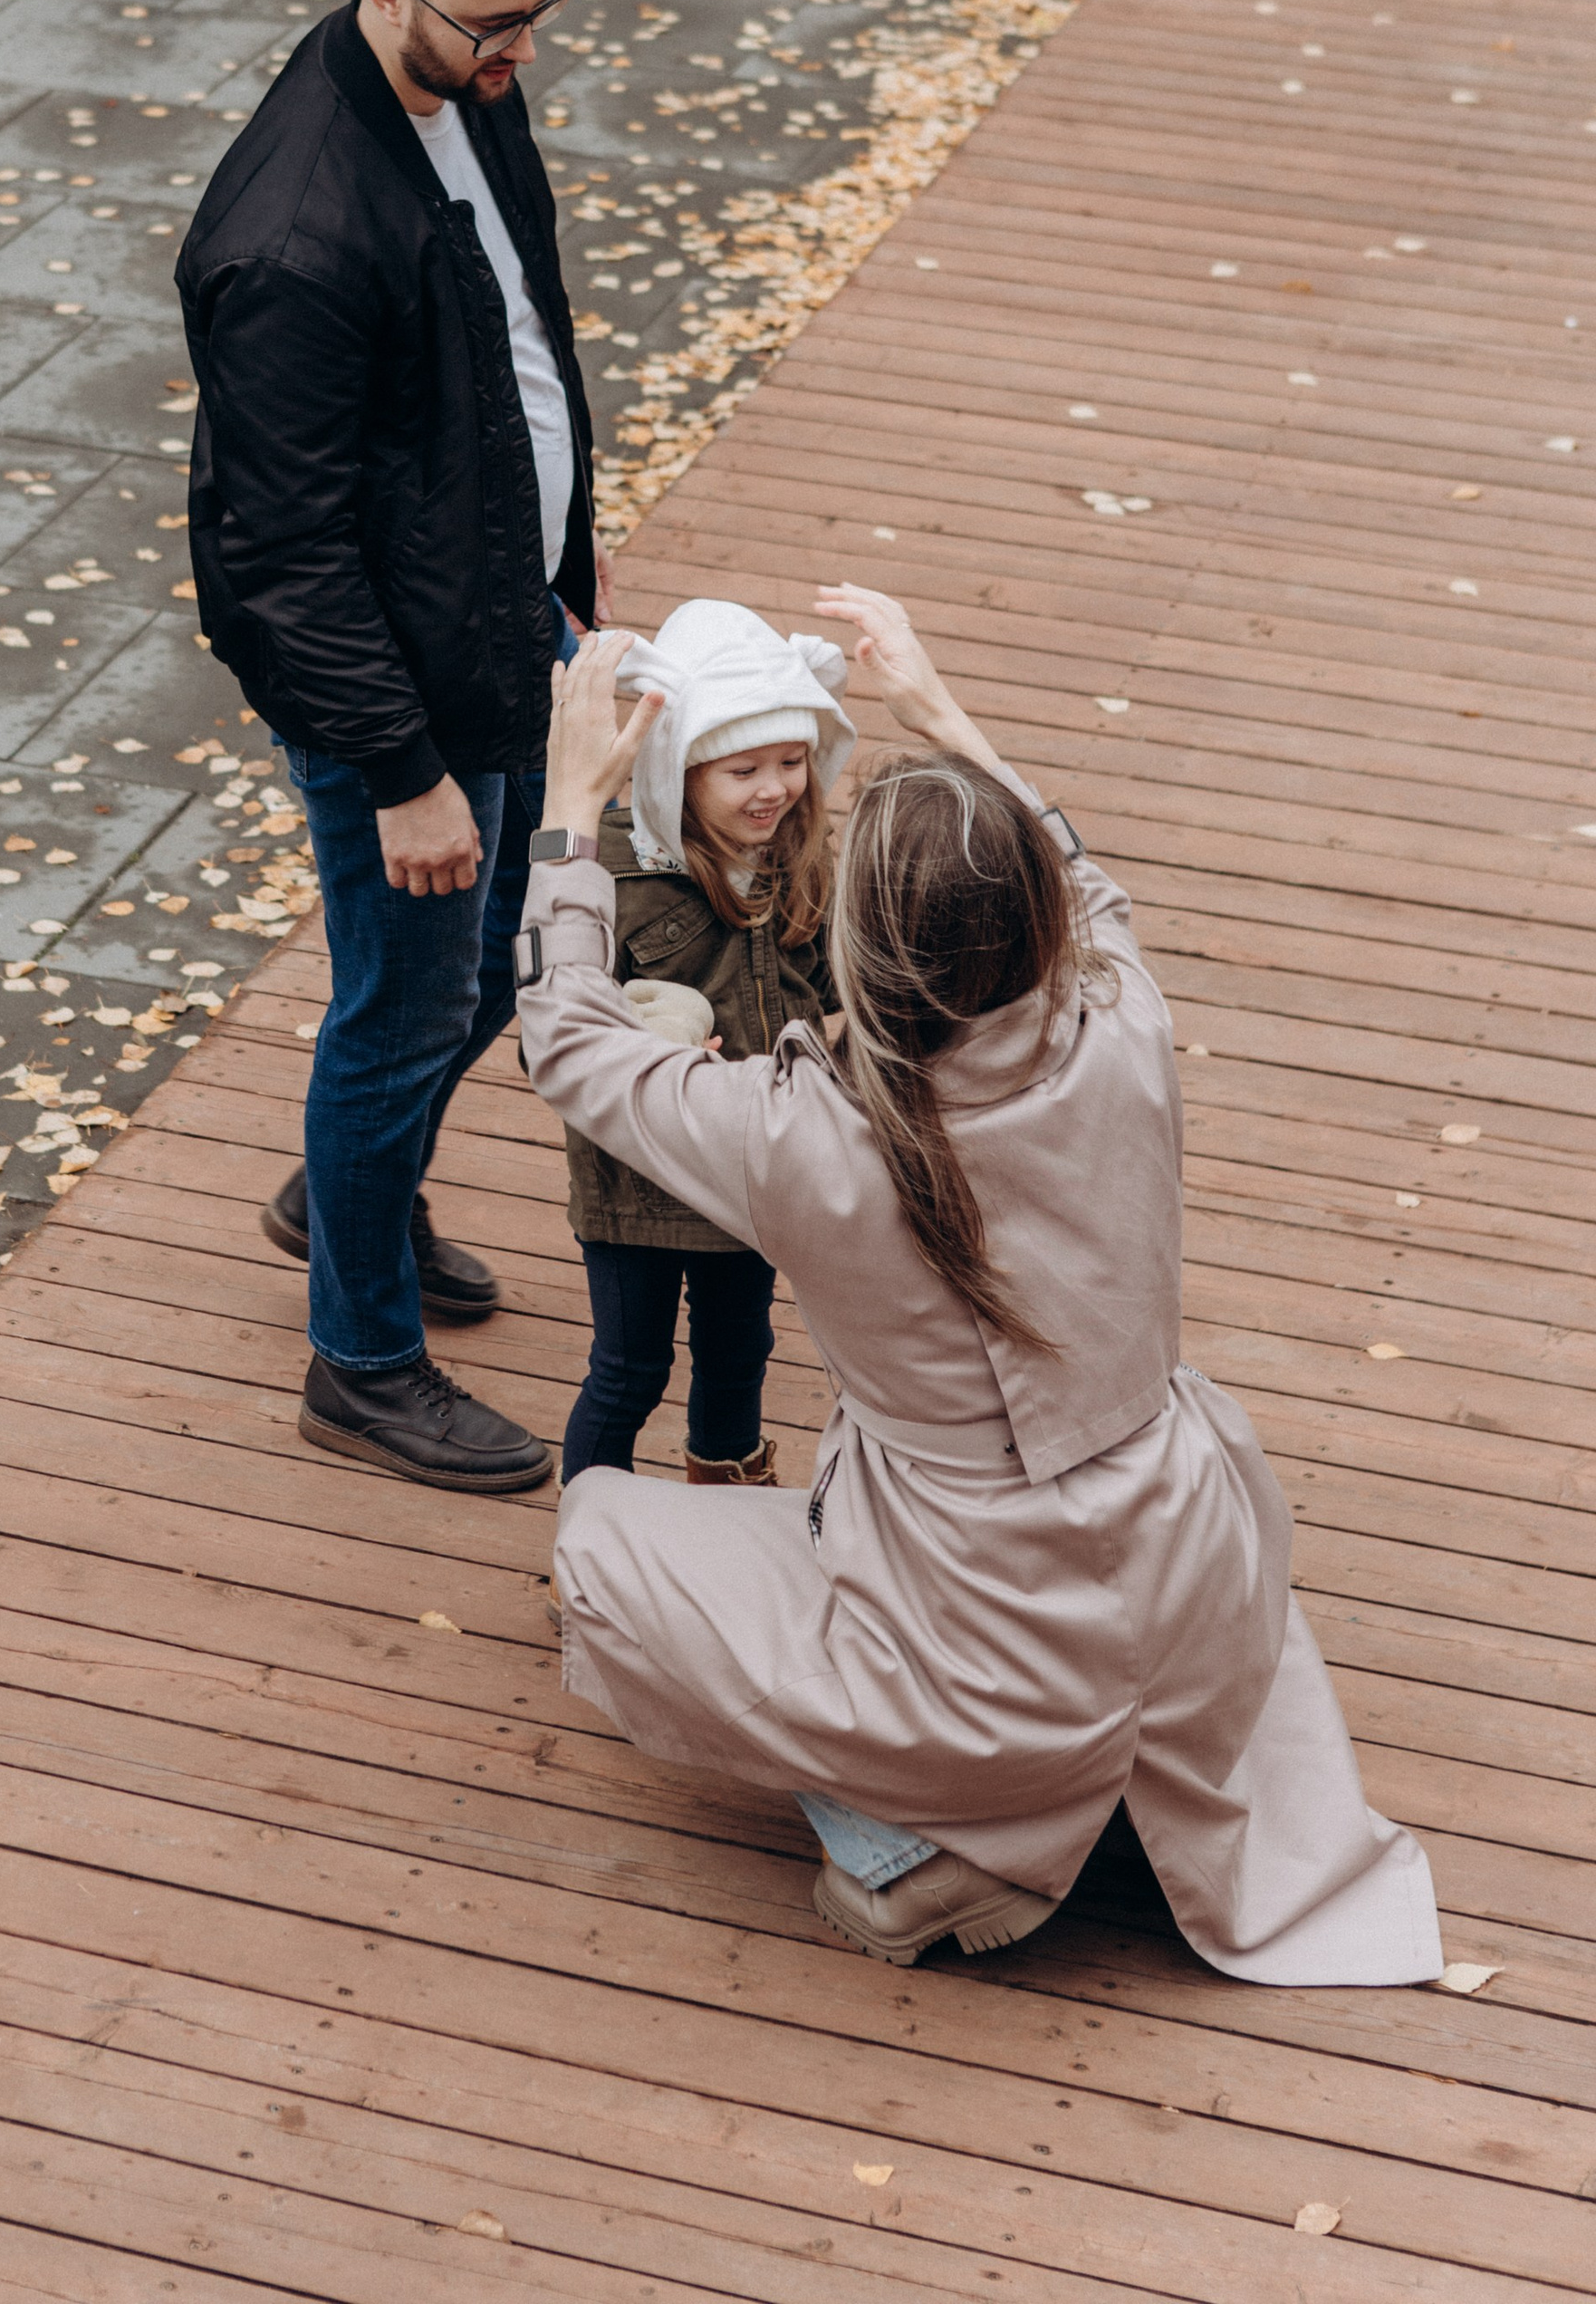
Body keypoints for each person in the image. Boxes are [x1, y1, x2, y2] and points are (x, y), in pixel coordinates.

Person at [514, 591, 1443, 1983]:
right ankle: (1107, 1776)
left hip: (971, 1631)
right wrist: (939, 712)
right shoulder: (1125, 1022)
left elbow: (569, 1039)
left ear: (861, 951)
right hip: (1191, 1557)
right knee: (1077, 1639)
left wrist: (565, 813)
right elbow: (1091, 885)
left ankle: (929, 1847)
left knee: (600, 1540)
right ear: (1037, 921)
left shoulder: (798, 1136)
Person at [177, 0, 608, 1495]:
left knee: (491, 970)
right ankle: (359, 1362)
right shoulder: (294, 235)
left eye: (540, 16)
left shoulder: (463, 94)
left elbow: (520, 345)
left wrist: (563, 572)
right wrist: (403, 774)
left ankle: (343, 1194)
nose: (522, 58)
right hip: (400, 701)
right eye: (495, 27)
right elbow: (276, 561)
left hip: (498, 622)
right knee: (406, 1008)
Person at [557, 599, 853, 1492]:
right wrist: (635, 1043)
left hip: (752, 1166)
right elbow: (551, 1038)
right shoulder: (609, 875)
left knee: (739, 1349)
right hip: (637, 1180)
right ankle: (594, 1527)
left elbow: (832, 988)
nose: (773, 789)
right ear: (675, 769)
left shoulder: (797, 856)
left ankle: (727, 1493)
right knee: (630, 1367)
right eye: (742, 770)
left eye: (791, 762)